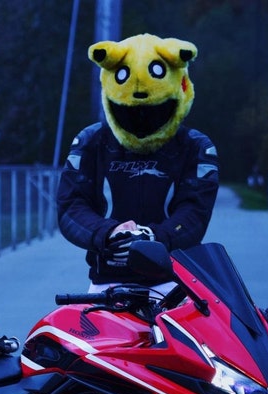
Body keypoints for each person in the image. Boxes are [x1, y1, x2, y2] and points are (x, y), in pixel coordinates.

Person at [57, 33, 219, 293]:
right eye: (133, 112)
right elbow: (70, 207)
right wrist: (109, 233)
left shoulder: (197, 146)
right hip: (106, 283)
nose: (142, 120)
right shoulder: (90, 141)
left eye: (152, 111)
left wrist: (154, 239)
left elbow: (195, 213)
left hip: (174, 282)